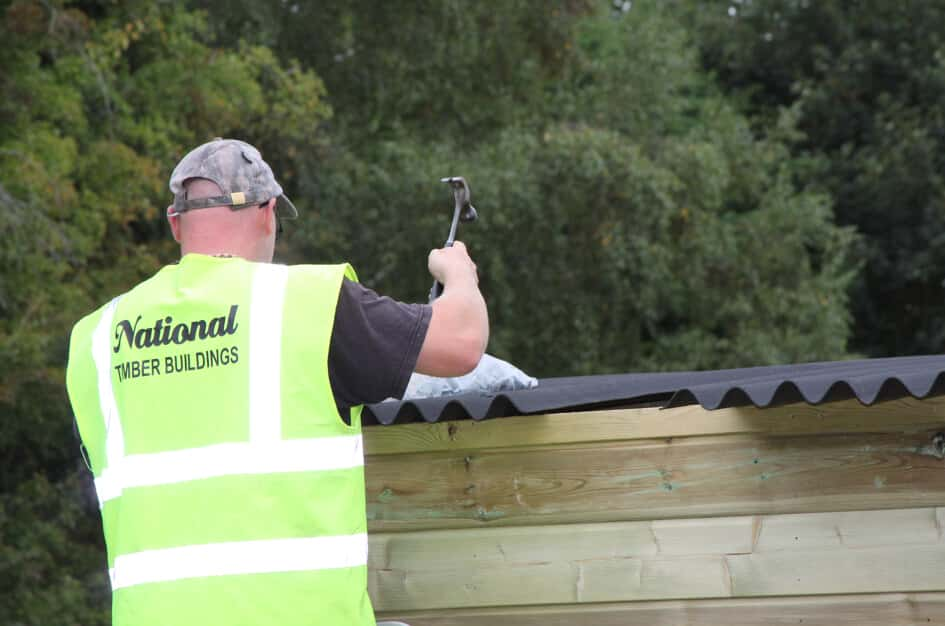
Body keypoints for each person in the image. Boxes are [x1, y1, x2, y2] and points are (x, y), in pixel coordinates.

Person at [65, 138, 489, 626]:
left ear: (175, 223)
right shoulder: (302, 305)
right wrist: (458, 275)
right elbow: (461, 341)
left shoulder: (95, 339)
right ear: (268, 212)